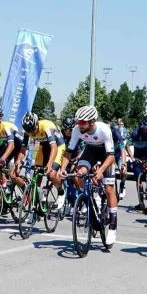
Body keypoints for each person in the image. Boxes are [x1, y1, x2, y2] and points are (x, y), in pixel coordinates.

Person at [58, 105, 119, 245]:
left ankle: (113, 226)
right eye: (77, 122)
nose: (79, 125)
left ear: (91, 122)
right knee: (78, 175)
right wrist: (62, 168)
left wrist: (101, 170)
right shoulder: (77, 130)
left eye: (82, 122)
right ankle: (88, 198)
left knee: (109, 188)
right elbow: (68, 152)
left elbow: (111, 156)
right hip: (90, 151)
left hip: (106, 155)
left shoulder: (104, 130)